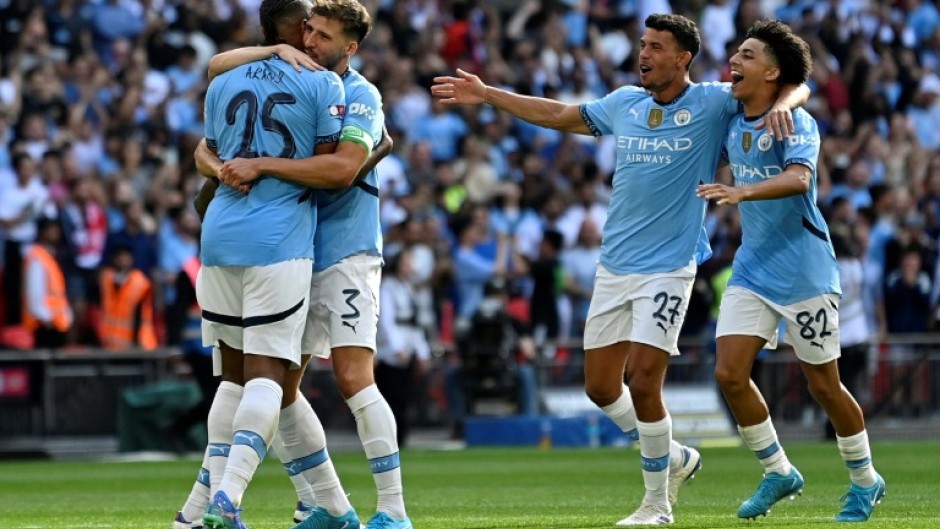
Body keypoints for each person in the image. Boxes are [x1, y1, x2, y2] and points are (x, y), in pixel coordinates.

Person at [432, 13, 808, 526]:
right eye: (642, 44)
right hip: (615, 265)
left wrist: (786, 102)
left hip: (670, 267)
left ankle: (658, 505)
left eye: (657, 47)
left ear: (683, 58)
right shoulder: (623, 103)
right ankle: (673, 455)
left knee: (644, 379)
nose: (644, 55)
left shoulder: (714, 102)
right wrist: (490, 93)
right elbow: (561, 114)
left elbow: (792, 83)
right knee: (601, 388)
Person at [186, 2, 413, 529]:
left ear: (349, 47)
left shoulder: (358, 94)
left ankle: (394, 511)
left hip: (345, 249)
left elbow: (342, 167)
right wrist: (226, 169)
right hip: (289, 250)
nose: (311, 41)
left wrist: (257, 165)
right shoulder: (285, 79)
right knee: (280, 389)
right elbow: (207, 142)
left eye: (323, 34)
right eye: (308, 30)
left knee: (354, 377)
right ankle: (327, 505)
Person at [696, 20, 885, 522]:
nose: (735, 59)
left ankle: (866, 481)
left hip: (805, 270)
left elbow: (801, 179)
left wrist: (742, 191)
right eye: (737, 51)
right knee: (730, 374)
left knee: (824, 385)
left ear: (772, 71)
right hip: (753, 266)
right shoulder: (735, 117)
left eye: (748, 55)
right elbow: (800, 84)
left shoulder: (796, 123)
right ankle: (778, 470)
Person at [195, 0, 347, 526]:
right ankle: (226, 502)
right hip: (277, 241)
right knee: (268, 377)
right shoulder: (324, 83)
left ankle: (194, 512)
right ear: (304, 26)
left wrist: (230, 168)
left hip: (217, 237)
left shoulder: (222, 83)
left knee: (232, 380)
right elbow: (332, 166)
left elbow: (207, 152)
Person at [375, 248, 431, 447]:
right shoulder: (388, 287)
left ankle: (401, 438)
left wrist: (423, 352)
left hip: (409, 346)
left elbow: (416, 324)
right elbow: (387, 321)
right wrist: (397, 347)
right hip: (392, 351)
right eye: (406, 262)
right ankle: (387, 440)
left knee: (405, 397)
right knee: (391, 396)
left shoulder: (409, 288)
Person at [22, 216, 72, 348]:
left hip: (56, 322)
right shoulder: (37, 256)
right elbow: (34, 290)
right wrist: (44, 316)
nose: (55, 233)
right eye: (51, 229)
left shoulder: (52, 256)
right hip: (44, 323)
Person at [98, 244, 158, 351]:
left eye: (125, 256)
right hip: (108, 342)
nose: (122, 260)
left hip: (137, 342)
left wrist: (137, 341)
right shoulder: (106, 279)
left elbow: (142, 313)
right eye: (119, 256)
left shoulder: (140, 282)